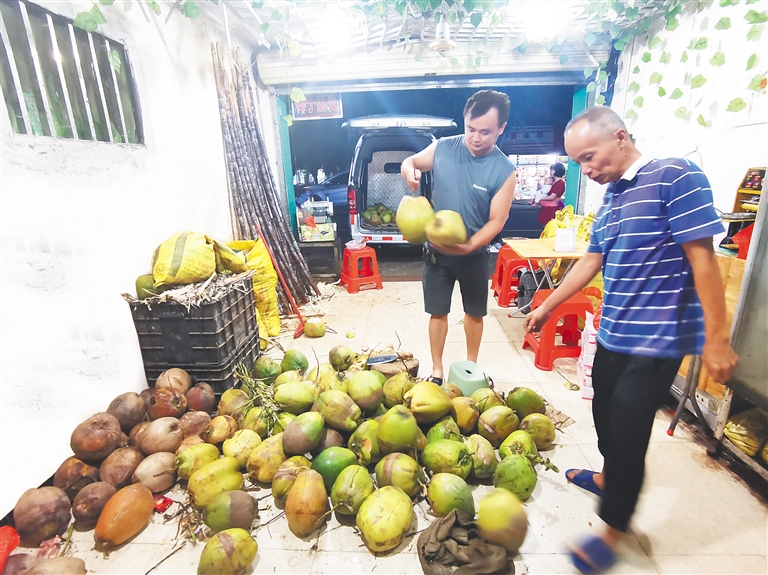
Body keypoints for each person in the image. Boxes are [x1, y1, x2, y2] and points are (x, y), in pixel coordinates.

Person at [524, 106, 738, 573]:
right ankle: (607, 477)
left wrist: (717, 339)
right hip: (614, 335)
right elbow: (590, 260)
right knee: (603, 413)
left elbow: (703, 260)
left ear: (620, 137)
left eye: (589, 157)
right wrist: (547, 304)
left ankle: (613, 529)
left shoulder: (676, 176)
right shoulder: (613, 199)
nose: (586, 169)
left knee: (627, 431)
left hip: (658, 342)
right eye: (578, 162)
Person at [400, 90, 517, 384]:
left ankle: (470, 367)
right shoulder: (444, 147)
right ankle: (437, 370)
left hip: (474, 256)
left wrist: (470, 245)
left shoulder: (505, 170)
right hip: (437, 255)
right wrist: (409, 170)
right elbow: (412, 161)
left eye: (485, 132)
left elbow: (497, 220)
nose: (475, 138)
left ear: (501, 128)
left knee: (474, 314)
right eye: (470, 129)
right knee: (437, 313)